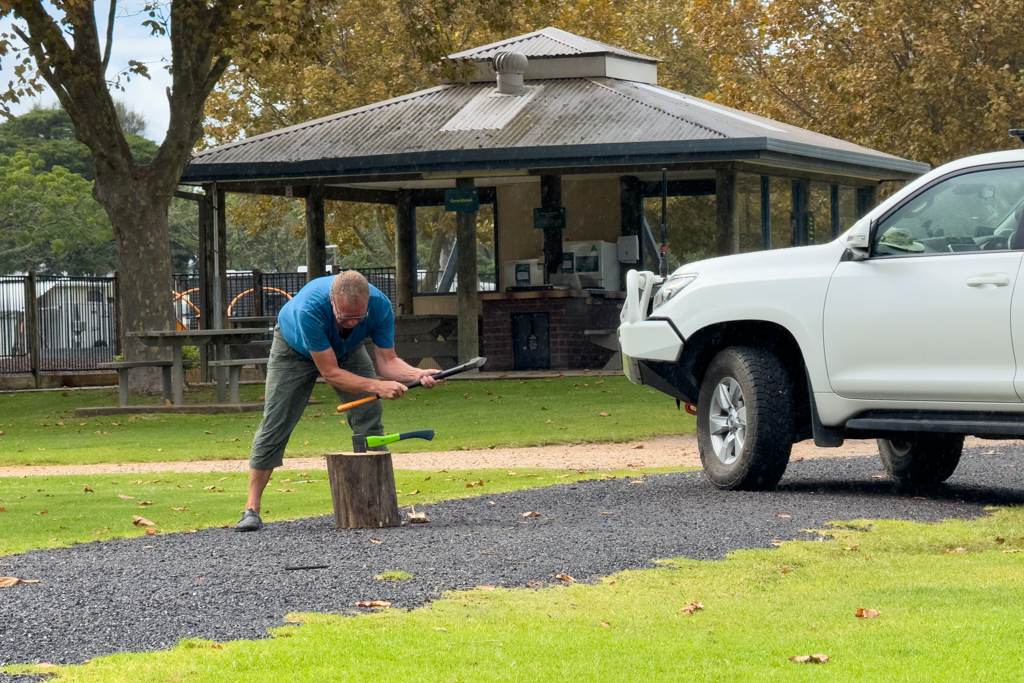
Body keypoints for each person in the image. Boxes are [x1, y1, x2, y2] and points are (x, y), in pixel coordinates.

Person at [235, 270, 438, 531]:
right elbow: (330, 373)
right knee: (277, 421)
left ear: (367, 302)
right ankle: (251, 510)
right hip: (293, 349)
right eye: (345, 317)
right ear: (332, 302)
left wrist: (418, 374)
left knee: (369, 415)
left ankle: (377, 504)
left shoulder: (380, 306)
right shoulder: (310, 309)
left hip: (347, 349)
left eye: (359, 317)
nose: (353, 323)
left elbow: (388, 362)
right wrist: (377, 385)